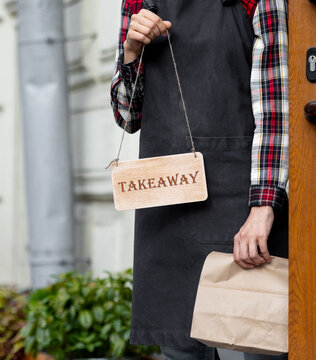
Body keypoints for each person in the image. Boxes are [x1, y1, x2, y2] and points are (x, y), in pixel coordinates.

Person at [110, 0, 289, 359]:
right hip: (169, 203)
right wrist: (132, 50)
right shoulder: (139, 3)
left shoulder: (258, 2)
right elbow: (127, 115)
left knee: (256, 342)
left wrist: (262, 206)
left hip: (241, 197)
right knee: (179, 349)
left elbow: (277, 108)